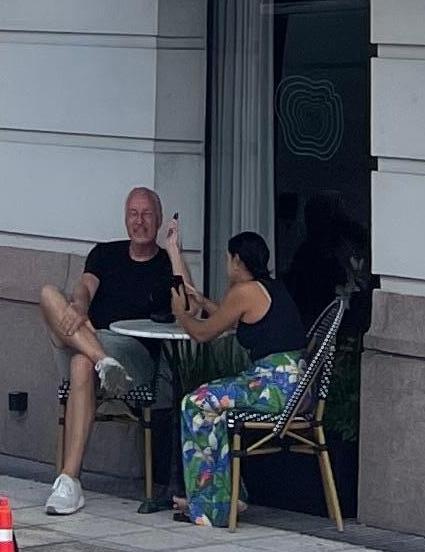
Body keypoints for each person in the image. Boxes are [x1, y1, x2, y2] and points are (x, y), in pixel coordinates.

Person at [36, 185, 188, 515]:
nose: (139, 221)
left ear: (159, 219)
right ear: (124, 218)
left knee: (81, 364)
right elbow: (85, 286)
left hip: (133, 355)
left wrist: (175, 252)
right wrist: (79, 306)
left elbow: (188, 306)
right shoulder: (105, 254)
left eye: (147, 214)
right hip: (88, 335)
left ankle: (69, 481)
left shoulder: (165, 264)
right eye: (133, 214)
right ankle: (102, 360)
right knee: (49, 293)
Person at [170, 229, 308, 530]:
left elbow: (202, 334)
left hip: (274, 387)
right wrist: (203, 301)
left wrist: (181, 313)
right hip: (295, 387)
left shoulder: (243, 291)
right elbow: (232, 319)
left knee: (195, 403)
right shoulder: (268, 288)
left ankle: (211, 508)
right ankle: (227, 498)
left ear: (236, 260)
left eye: (227, 259)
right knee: (214, 406)